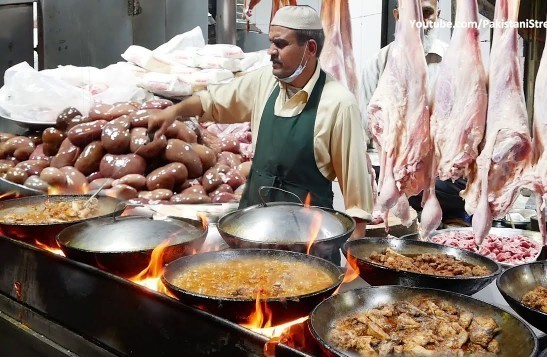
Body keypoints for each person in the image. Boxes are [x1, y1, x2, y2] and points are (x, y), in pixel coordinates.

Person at [148, 5, 373, 238]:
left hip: (307, 245)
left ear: (310, 48)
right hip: (253, 233)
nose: (271, 51)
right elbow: (212, 102)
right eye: (271, 42)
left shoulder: (339, 104)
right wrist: (175, 111)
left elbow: (357, 201)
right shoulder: (265, 81)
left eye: (281, 44)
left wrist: (352, 256)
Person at [359, 0, 467, 223]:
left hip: (439, 177)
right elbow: (362, 124)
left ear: (437, 14)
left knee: (453, 186)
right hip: (391, 172)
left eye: (426, 12)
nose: (419, 21)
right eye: (412, 14)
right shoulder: (379, 63)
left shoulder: (453, 61)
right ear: (397, 15)